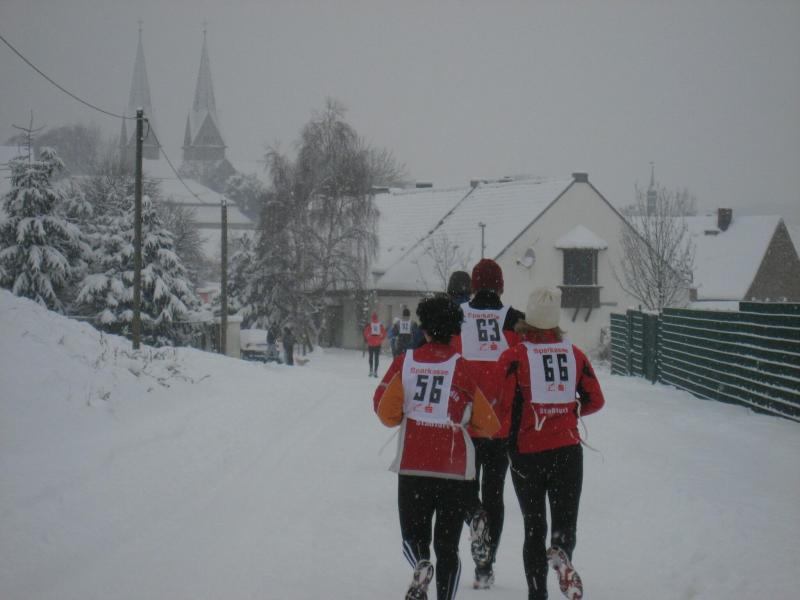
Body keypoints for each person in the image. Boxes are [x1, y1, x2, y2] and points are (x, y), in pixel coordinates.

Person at [373, 295, 501, 600]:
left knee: (413, 537)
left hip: (413, 465)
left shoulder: (405, 363)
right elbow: (489, 424)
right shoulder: (464, 369)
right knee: (448, 548)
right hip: (453, 471)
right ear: (455, 331)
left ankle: (421, 563)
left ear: (425, 328)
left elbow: (385, 412)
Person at [497, 287, 605, 600]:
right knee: (565, 523)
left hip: (527, 454)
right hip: (567, 450)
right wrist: (568, 411)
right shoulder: (574, 355)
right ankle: (561, 553)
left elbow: (501, 404)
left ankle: (537, 593)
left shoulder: (515, 356)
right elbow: (596, 398)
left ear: (527, 321)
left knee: (534, 527)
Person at [451, 258, 524, 589]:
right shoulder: (515, 320)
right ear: (501, 286)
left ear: (473, 286)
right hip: (499, 423)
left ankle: (473, 515)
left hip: (465, 420)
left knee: (464, 486)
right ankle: (486, 564)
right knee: (495, 492)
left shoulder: (457, 317)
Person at [363, 312, 387, 377]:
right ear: (377, 318)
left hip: (370, 344)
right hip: (378, 344)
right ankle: (375, 371)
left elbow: (365, 333)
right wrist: (380, 339)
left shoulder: (369, 325)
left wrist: (368, 339)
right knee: (376, 358)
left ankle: (371, 370)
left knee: (370, 357)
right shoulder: (380, 325)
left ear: (372, 318)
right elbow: (384, 333)